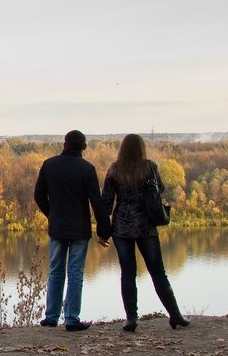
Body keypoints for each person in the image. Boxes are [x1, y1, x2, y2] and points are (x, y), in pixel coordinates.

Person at [100, 133, 190, 332]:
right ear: (142, 148)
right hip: (146, 226)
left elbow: (106, 202)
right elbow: (160, 190)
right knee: (158, 272)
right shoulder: (150, 167)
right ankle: (175, 315)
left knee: (127, 273)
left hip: (122, 226)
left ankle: (131, 319)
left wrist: (103, 231)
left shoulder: (114, 169)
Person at [33, 129, 111, 331]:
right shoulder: (87, 169)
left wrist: (51, 214)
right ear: (84, 147)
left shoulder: (49, 165)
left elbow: (39, 195)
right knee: (75, 273)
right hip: (79, 228)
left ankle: (51, 317)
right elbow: (96, 201)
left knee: (55, 271)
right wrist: (104, 229)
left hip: (57, 227)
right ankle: (71, 319)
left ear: (64, 144)